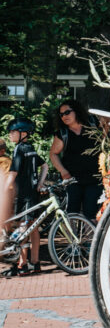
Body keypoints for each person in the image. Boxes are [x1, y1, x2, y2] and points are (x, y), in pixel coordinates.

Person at [3, 117, 48, 277]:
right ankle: (35, 263)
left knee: (24, 228)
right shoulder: (31, 148)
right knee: (33, 228)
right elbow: (45, 165)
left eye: (12, 132)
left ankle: (22, 264)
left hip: (23, 195)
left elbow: (13, 172)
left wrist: (3, 189)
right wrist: (40, 184)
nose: (10, 135)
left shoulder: (19, 149)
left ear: (22, 133)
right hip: (33, 194)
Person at [49, 99, 103, 221]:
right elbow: (53, 154)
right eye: (61, 114)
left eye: (67, 112)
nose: (64, 116)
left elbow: (105, 137)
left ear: (76, 111)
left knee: (91, 212)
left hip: (94, 178)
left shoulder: (93, 124)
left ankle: (89, 239)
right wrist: (63, 171)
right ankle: (73, 239)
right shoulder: (63, 133)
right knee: (71, 212)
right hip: (72, 180)